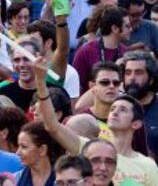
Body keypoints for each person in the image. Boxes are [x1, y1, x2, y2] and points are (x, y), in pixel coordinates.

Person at [34, 55, 158, 185]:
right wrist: (41, 83)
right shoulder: (89, 148)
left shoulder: (147, 166)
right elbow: (52, 126)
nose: (115, 112)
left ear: (136, 123)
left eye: (122, 109)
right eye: (113, 109)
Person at [73, 8, 131, 92]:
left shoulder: (126, 52)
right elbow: (77, 87)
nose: (131, 29)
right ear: (115, 28)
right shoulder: (85, 52)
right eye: (127, 26)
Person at [122, 50, 158, 161]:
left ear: (151, 79)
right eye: (128, 73)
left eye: (138, 73)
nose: (132, 78)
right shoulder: (116, 106)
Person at [0, 40, 40, 113]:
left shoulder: (53, 92)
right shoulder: (3, 92)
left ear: (38, 60)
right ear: (12, 64)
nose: (21, 64)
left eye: (27, 59)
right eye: (17, 60)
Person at [15, 120, 63, 186]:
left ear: (42, 150)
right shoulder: (15, 180)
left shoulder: (63, 181)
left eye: (24, 147)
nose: (17, 152)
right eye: (18, 146)